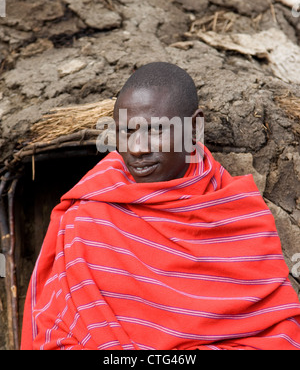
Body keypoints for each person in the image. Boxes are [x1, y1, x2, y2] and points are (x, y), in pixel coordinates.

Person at [21, 62, 300, 350]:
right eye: (126, 132)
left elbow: (278, 333)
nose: (138, 148)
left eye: (155, 130)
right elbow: (55, 332)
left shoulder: (238, 215)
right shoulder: (89, 215)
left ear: (194, 126)